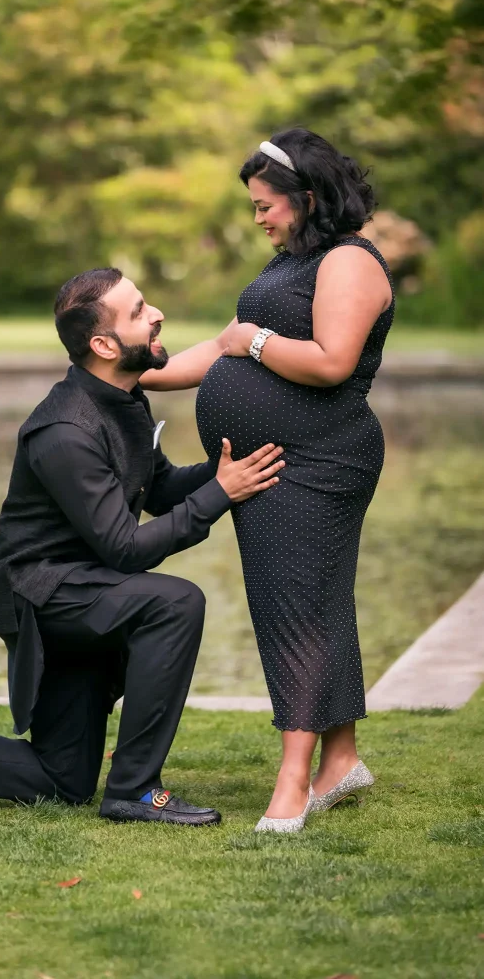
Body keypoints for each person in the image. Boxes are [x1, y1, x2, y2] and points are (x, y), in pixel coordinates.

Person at [0, 268, 285, 826]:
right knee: (175, 602)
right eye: (138, 311)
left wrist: (224, 474)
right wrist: (221, 494)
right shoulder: (64, 431)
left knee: (64, 777)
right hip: (41, 593)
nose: (157, 315)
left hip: (85, 587)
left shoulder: (122, 399)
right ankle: (135, 789)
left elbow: (159, 487)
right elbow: (125, 548)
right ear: (103, 344)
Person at [140, 128, 394, 832]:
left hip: (317, 458)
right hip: (286, 456)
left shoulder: (348, 261)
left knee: (293, 610)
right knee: (319, 602)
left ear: (307, 197)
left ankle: (293, 783)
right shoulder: (291, 266)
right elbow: (216, 347)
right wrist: (131, 372)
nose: (258, 219)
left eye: (265, 205)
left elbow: (331, 360)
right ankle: (339, 760)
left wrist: (245, 342)